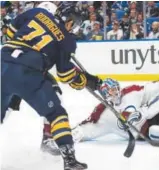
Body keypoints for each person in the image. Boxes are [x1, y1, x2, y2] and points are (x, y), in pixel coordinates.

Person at [42, 58, 159, 155]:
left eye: (116, 89)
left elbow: (151, 90)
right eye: (111, 92)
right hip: (148, 129)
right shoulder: (103, 115)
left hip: (153, 110)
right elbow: (84, 130)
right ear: (105, 95)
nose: (115, 94)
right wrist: (61, 140)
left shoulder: (131, 92)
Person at [1, 2, 104, 170]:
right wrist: (84, 80)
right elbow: (65, 75)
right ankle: (68, 158)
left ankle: (48, 137)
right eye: (75, 25)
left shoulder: (38, 12)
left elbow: (11, 31)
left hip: (3, 63)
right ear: (70, 22)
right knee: (57, 113)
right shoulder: (67, 40)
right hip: (29, 73)